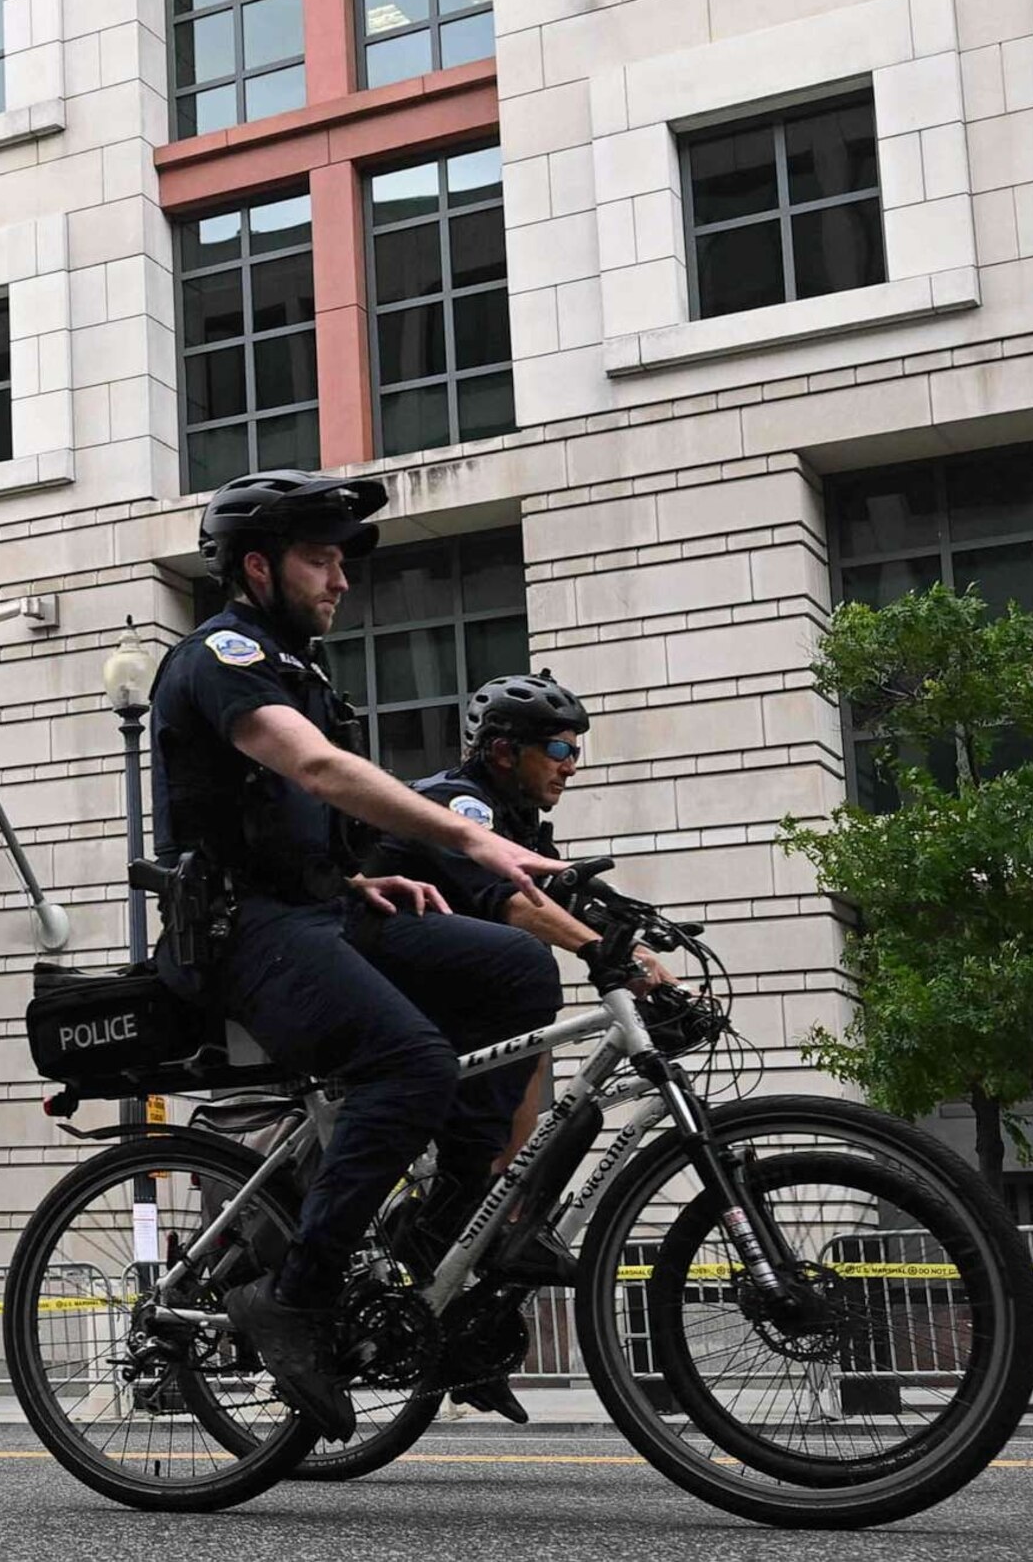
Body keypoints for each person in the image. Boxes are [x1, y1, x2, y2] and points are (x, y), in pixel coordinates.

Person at [146, 471, 567, 1438]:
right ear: (258, 565)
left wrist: (357, 881)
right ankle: (296, 1295)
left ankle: (443, 1223)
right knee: (409, 1060)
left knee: (519, 970)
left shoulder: (302, 668)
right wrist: (470, 839)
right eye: (319, 559)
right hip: (243, 931)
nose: (340, 579)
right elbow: (317, 769)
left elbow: (300, 820)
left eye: (342, 561)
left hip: (318, 913)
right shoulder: (221, 654)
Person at [362, 671, 674, 1425]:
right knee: (524, 974)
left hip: (451, 983)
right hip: (375, 957)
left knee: (543, 1118)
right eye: (560, 747)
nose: (572, 762)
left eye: (577, 749)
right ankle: (433, 1219)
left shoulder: (524, 822)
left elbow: (562, 891)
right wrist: (606, 954)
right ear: (503, 751)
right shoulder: (461, 800)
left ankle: (465, 1325)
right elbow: (506, 898)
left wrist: (651, 949)